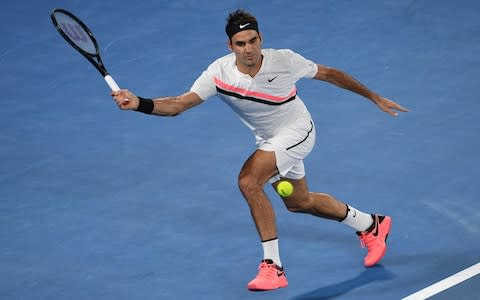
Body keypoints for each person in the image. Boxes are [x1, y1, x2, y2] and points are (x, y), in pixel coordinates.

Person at [111, 9, 408, 291]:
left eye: (253, 40)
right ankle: (370, 225)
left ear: (261, 38)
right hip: (268, 140)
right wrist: (140, 103)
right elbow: (179, 104)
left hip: (298, 131)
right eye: (240, 43)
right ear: (230, 46)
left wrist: (373, 96)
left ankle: (273, 267)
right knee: (299, 202)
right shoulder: (219, 73)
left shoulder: (285, 60)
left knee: (249, 181)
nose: (248, 49)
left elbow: (330, 74)